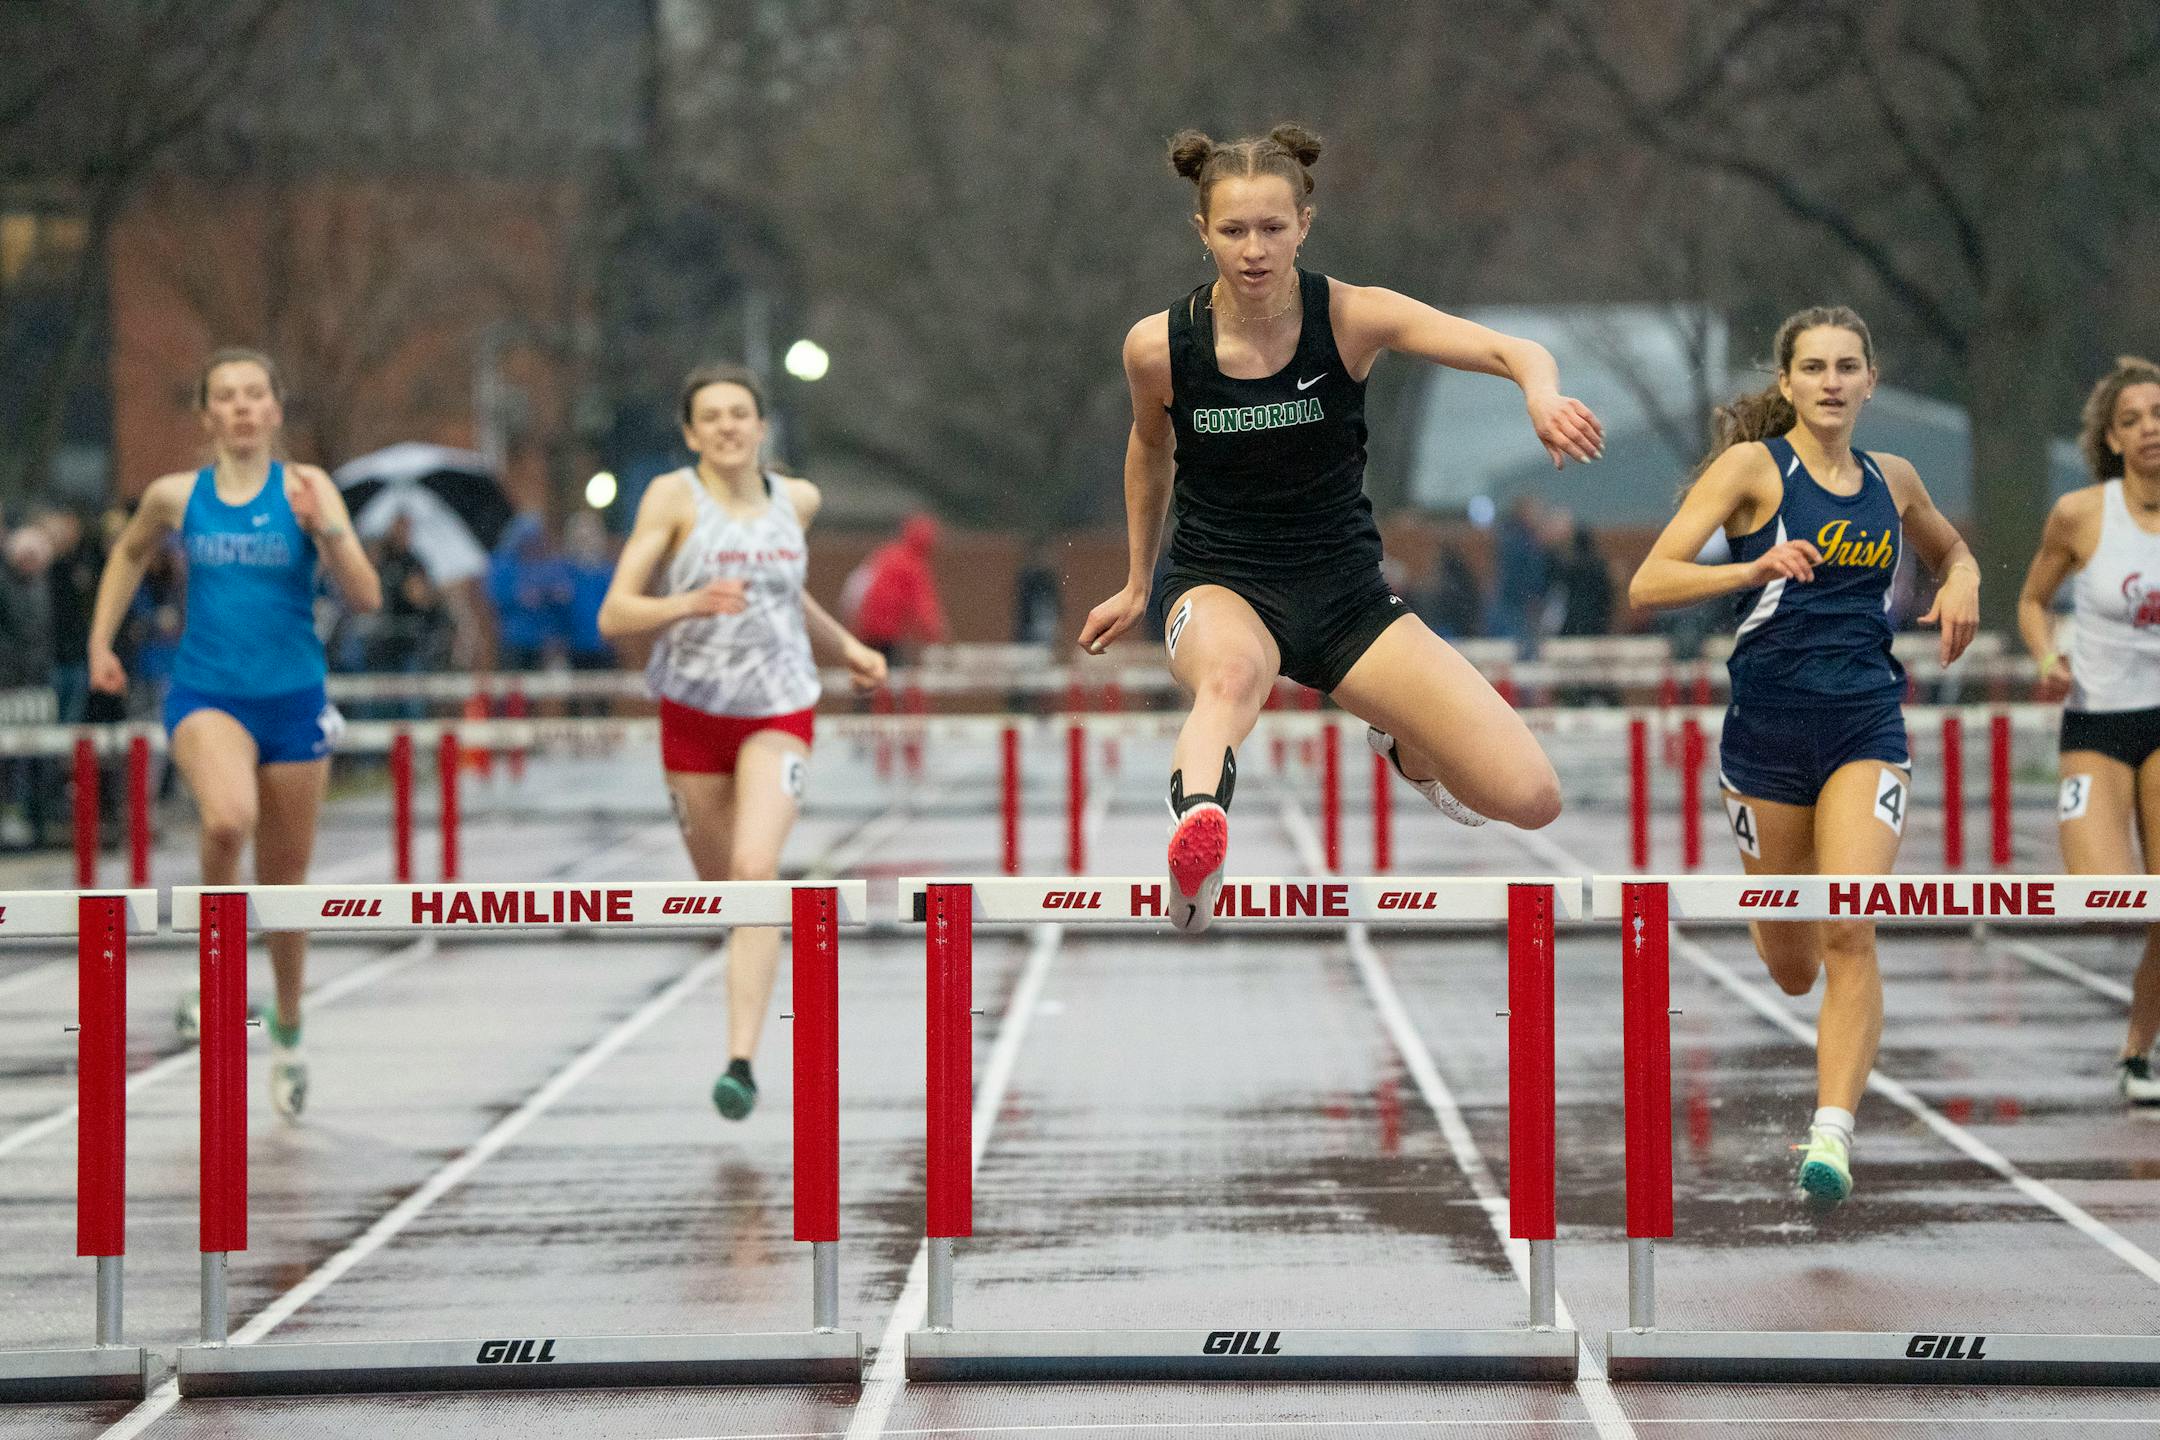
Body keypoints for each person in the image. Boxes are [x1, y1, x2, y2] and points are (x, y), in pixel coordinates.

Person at [1078, 123, 1601, 934]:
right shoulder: (1159, 347)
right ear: (1202, 232)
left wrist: (1540, 393)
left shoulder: (1353, 317)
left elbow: (1510, 349)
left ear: (1305, 225)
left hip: (1346, 598)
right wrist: (1139, 579)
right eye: (1234, 231)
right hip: (1220, 584)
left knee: (1531, 798)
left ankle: (1404, 748)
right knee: (1230, 681)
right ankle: (1198, 844)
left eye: (1273, 229)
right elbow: (1148, 451)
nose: (1254, 250)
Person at [1627, 306, 1980, 1207]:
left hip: (1866, 726)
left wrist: (1967, 580)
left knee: (1849, 926)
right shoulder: (1754, 468)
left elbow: (1949, 549)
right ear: (1787, 384)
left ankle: (1831, 1135)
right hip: (1766, 740)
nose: (1830, 381)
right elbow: (1650, 581)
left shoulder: (1892, 478)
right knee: (1792, 966)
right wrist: (1749, 569)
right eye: (1813, 367)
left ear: (1870, 381)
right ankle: (1818, 1020)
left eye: (1847, 366)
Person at [87, 348, 381, 1120]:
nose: (244, 407)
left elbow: (368, 595)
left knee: (286, 887)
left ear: (276, 411)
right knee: (226, 819)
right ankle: (216, 980)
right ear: (208, 415)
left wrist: (331, 537)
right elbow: (127, 553)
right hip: (208, 694)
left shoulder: (309, 489)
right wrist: (100, 643)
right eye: (228, 396)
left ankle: (287, 1025)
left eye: (257, 394)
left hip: (294, 701)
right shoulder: (176, 496)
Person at [599, 363, 886, 1120]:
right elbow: (614, 614)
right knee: (725, 890)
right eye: (711, 417)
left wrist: (845, 645)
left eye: (740, 414)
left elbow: (787, 597)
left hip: (779, 707)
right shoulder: (671, 498)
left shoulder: (798, 499)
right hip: (692, 713)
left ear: (762, 428)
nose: (728, 427)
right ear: (691, 434)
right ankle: (743, 1008)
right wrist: (688, 601)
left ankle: (740, 1061)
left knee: (758, 872)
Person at [2016, 356, 2160, 1106]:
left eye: (2159, 416)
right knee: (2108, 896)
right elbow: (2033, 600)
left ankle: (2138, 1051)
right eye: (2132, 420)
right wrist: (2047, 654)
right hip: (2096, 723)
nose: (2150, 431)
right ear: (2110, 437)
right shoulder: (2080, 514)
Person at [845, 512, 948, 662]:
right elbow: (924, 608)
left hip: (864, 627)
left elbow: (855, 587)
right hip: (886, 633)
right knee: (892, 675)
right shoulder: (913, 566)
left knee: (871, 671)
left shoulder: (886, 554)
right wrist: (938, 636)